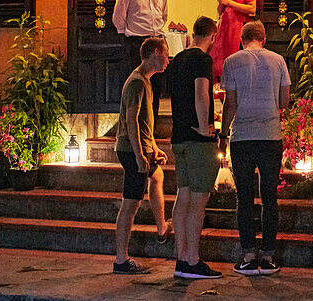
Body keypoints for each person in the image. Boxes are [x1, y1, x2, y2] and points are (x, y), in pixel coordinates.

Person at [220, 20, 290, 276]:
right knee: (269, 196)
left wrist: (223, 134)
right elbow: (284, 100)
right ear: (264, 39)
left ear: (242, 39)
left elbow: (230, 103)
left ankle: (249, 255)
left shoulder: (232, 61)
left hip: (242, 137)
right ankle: (269, 255)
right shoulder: (278, 60)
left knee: (245, 197)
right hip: (271, 135)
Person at [167, 16, 222, 280]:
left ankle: (181, 257)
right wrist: (203, 125)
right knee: (199, 200)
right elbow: (202, 92)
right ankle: (193, 260)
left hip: (178, 136)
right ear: (212, 35)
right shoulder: (203, 60)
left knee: (183, 195)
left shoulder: (177, 59)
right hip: (197, 139)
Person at [113, 36, 173, 275]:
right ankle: (121, 259)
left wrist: (154, 147)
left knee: (157, 177)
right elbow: (131, 121)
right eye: (167, 55)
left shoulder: (146, 81)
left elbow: (144, 123)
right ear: (156, 52)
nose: (168, 60)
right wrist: (140, 154)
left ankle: (161, 229)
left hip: (141, 148)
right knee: (131, 203)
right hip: (130, 149)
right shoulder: (137, 82)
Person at [113, 0, 168, 122]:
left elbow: (164, 17)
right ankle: (132, 125)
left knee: (156, 85)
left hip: (157, 41)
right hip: (136, 42)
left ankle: (153, 125)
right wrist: (129, 36)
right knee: (136, 85)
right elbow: (118, 19)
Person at [210, 0, 257, 80]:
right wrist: (220, 1)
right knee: (220, 61)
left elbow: (252, 8)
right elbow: (221, 11)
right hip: (224, 27)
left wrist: (229, 1)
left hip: (238, 27)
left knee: (235, 62)